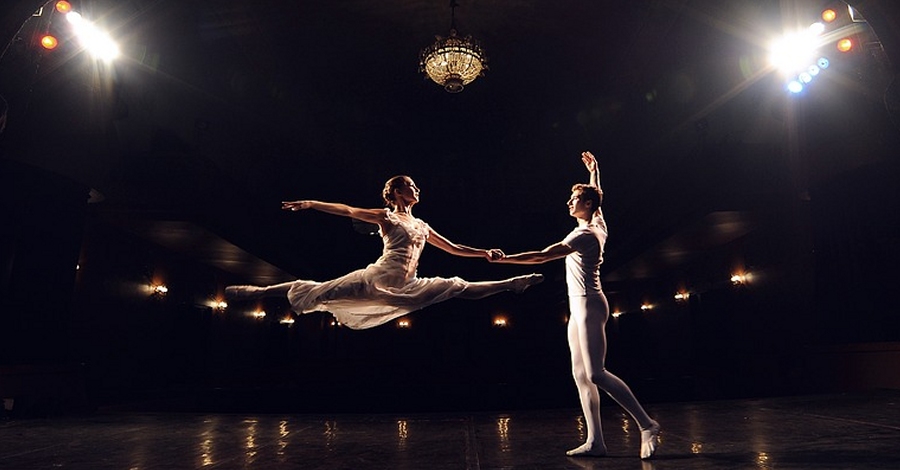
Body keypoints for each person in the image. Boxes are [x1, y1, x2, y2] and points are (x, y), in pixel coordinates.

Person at [488, 151, 660, 459]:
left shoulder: (585, 234)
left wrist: (505, 259)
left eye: (575, 198)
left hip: (590, 306)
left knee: (595, 374)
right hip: (578, 309)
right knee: (580, 375)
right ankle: (596, 441)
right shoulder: (599, 221)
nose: (569, 202)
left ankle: (647, 425)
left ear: (587, 205)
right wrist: (595, 173)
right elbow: (600, 198)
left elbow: (542, 255)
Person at [225, 175, 543, 330]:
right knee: (316, 291)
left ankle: (512, 284)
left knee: (456, 286)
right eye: (412, 186)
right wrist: (311, 203)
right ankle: (260, 290)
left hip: (408, 284)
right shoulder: (386, 216)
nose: (417, 190)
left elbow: (453, 248)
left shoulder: (422, 225)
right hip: (375, 279)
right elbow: (348, 209)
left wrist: (484, 252)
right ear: (396, 192)